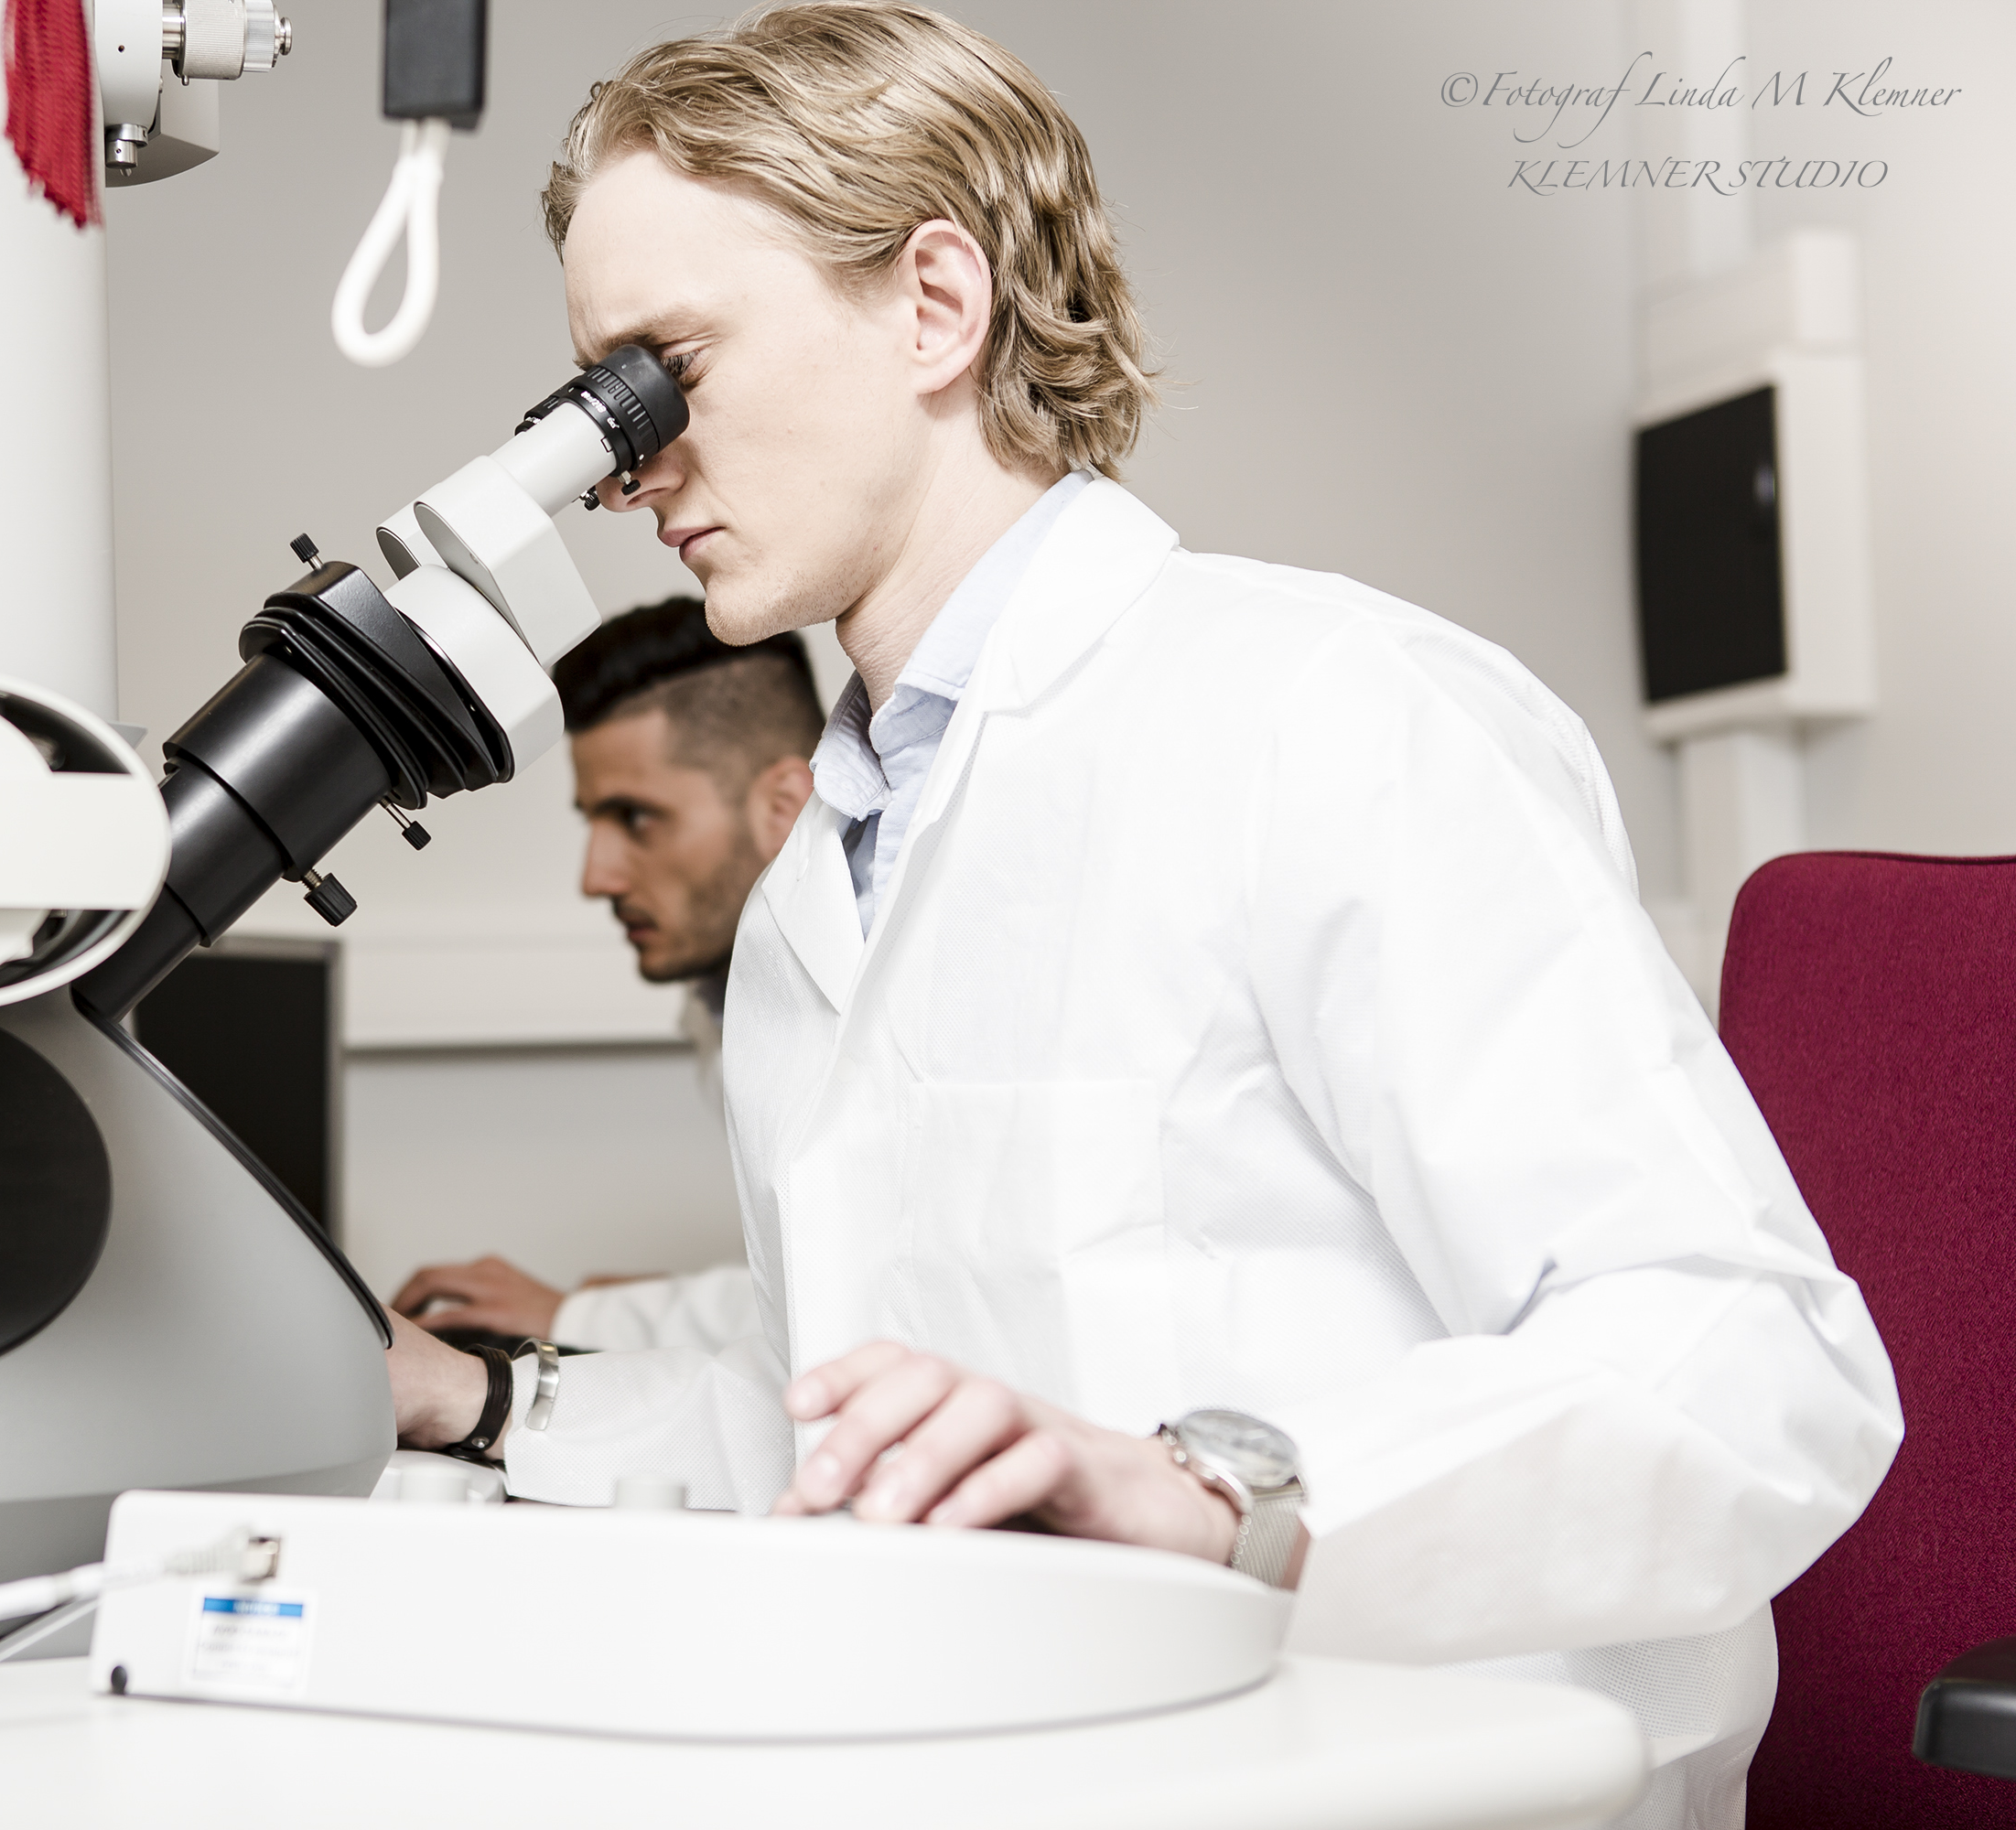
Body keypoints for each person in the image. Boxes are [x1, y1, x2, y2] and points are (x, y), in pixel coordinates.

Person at [381, 9, 1900, 1823]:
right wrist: (476, 1401)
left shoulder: (1329, 715)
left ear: (934, 304)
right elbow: (865, 1424)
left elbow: (1749, 1368)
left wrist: (1216, 1497)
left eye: (666, 372)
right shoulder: (818, 885)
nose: (627, 467)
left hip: (1409, 1783)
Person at [388, 597, 819, 1351]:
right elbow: (807, 1273)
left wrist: (580, 1318)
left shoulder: (907, 1000)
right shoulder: (725, 990)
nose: (598, 877)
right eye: (594, 820)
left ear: (783, 808)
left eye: (637, 818)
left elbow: (868, 1306)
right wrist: (644, 1307)